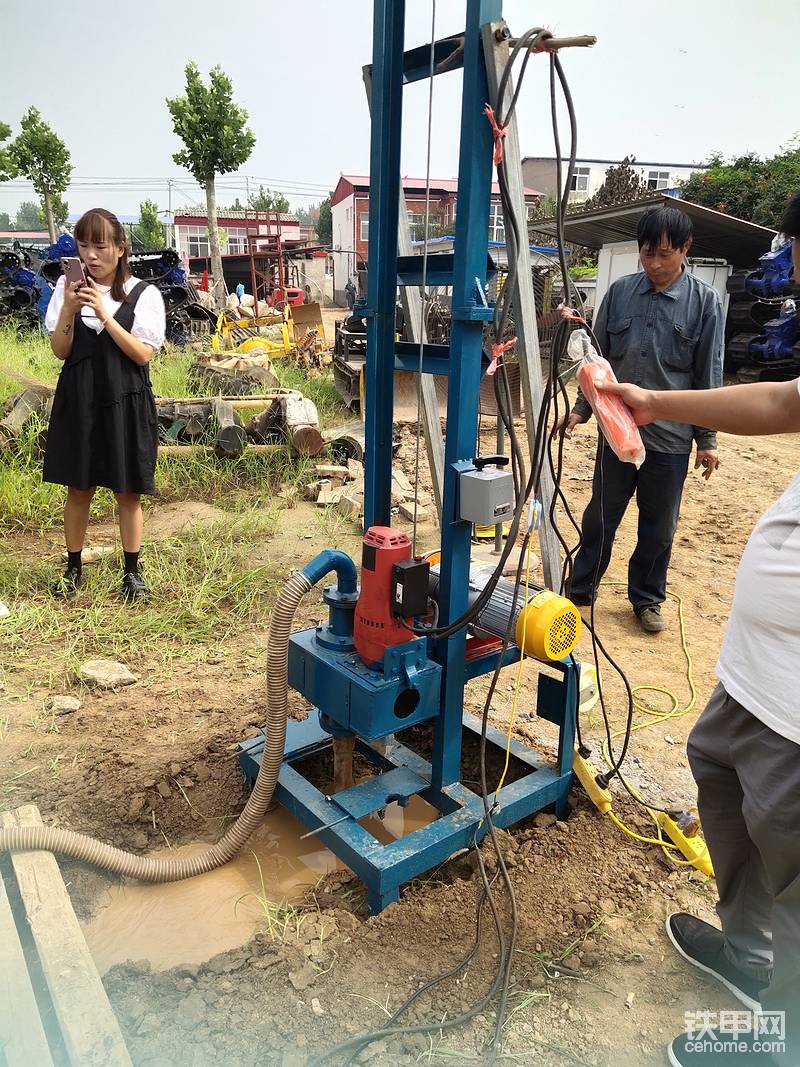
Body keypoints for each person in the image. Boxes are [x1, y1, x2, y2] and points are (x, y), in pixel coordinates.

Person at [600, 194, 800, 1067]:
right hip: (756, 675)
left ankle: (783, 1036)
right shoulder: (622, 298)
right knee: (719, 779)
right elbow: (787, 399)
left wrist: (689, 430)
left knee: (795, 864)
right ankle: (749, 957)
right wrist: (649, 401)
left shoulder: (706, 304)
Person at [563, 205, 725, 634]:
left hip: (670, 439)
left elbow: (709, 374)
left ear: (686, 249)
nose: (655, 264)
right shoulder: (619, 294)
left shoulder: (705, 304)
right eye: (648, 253)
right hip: (617, 432)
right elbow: (599, 362)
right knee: (600, 515)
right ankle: (580, 590)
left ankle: (647, 600)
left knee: (658, 527)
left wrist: (706, 439)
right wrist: (581, 411)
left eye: (666, 255)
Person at [44, 208, 166, 602]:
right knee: (78, 487)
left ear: (120, 249)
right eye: (83, 246)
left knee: (127, 491)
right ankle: (72, 568)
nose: (90, 255)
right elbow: (61, 350)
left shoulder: (143, 295)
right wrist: (68, 306)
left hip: (124, 401)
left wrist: (103, 313)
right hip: (79, 400)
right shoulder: (67, 289)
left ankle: (132, 572)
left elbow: (142, 355)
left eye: (100, 246)